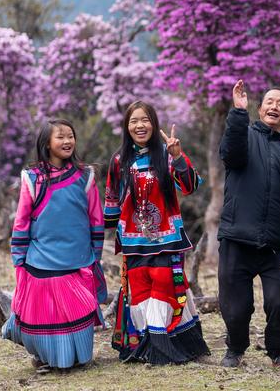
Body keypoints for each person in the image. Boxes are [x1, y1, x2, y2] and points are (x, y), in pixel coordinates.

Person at [104, 100, 209, 364]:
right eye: (133, 121)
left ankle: (167, 347)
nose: (140, 126)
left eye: (145, 120)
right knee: (138, 294)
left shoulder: (166, 155)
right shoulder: (119, 161)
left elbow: (189, 187)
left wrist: (177, 156)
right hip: (133, 241)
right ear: (126, 127)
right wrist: (101, 231)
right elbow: (112, 202)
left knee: (164, 286)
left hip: (166, 239)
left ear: (154, 123)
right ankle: (147, 347)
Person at [2, 118, 107, 372]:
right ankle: (46, 357)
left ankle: (75, 357)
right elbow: (22, 221)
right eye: (60, 137)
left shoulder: (85, 176)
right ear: (47, 143)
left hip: (78, 258)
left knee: (78, 310)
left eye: (70, 136)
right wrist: (19, 258)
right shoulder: (32, 178)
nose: (67, 141)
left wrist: (95, 255)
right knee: (44, 314)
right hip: (41, 258)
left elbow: (96, 218)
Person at [218, 80, 280, 368]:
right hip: (237, 237)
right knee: (236, 307)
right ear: (259, 109)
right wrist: (238, 112)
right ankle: (235, 349)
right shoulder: (242, 135)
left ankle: (279, 353)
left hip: (275, 244)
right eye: (269, 101)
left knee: (278, 303)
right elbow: (230, 154)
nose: (274, 106)